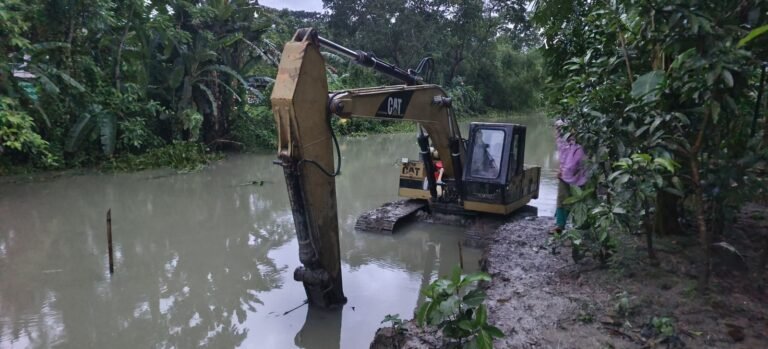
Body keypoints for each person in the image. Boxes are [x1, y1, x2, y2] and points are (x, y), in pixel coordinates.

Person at [553, 119, 588, 234]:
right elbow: (563, 157)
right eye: (557, 129)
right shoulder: (562, 142)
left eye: (560, 129)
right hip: (564, 174)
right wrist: (561, 169)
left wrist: (565, 171)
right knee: (562, 198)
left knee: (580, 199)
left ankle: (581, 225)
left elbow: (578, 160)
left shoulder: (578, 143)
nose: (558, 132)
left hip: (580, 175)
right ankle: (560, 225)